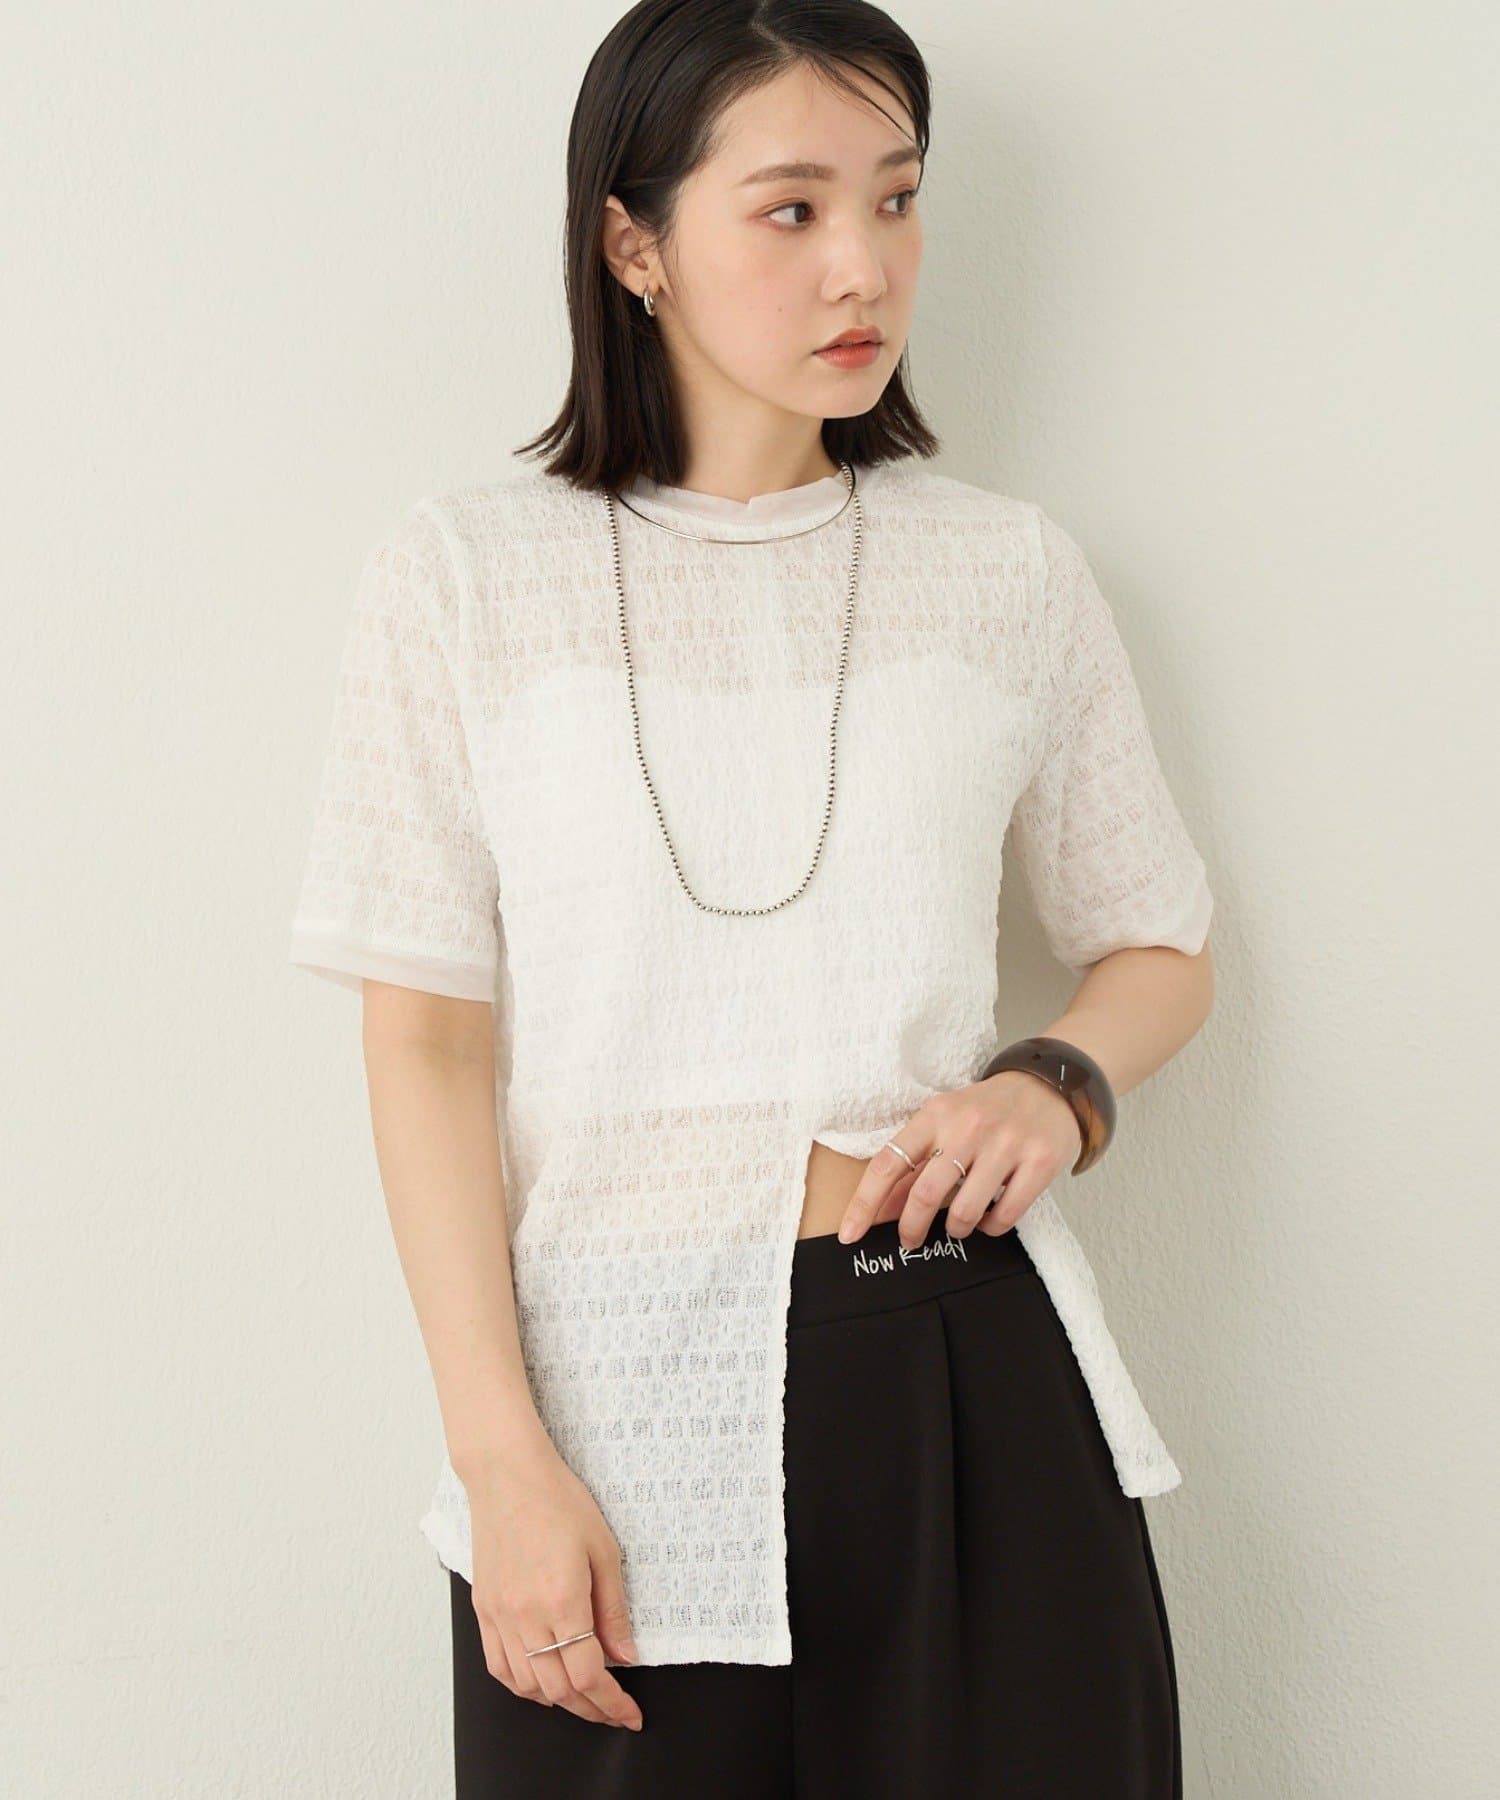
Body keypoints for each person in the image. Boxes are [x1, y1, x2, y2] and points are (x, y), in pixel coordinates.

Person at [288, 3, 1213, 1794]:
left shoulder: (1004, 570)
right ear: (633, 243)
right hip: (610, 1408)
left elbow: (1159, 942)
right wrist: (499, 1459)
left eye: (897, 198)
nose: (864, 264)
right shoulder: (467, 577)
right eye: (791, 208)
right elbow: (424, 1047)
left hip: (971, 1374)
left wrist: (1056, 1083)